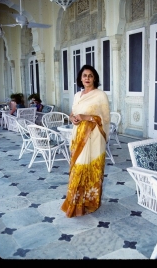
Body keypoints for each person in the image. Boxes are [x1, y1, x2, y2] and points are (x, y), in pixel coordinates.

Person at [61, 64, 110, 218]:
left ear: (94, 78)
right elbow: (73, 112)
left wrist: (86, 117)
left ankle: (90, 202)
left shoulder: (100, 95)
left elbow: (106, 119)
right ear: (80, 79)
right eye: (84, 76)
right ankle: (75, 203)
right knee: (77, 169)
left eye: (90, 75)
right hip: (78, 135)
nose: (87, 78)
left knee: (87, 169)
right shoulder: (77, 95)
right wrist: (73, 118)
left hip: (94, 138)